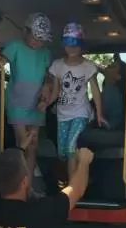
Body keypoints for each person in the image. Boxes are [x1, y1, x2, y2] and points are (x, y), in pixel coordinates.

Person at [0, 13, 53, 190]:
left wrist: (47, 88)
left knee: (33, 146)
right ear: (25, 31)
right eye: (35, 38)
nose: (38, 42)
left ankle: (28, 186)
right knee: (23, 142)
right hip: (17, 102)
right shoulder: (14, 46)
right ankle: (19, 186)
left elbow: (49, 76)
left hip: (38, 104)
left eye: (42, 40)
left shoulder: (45, 53)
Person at [44, 22, 104, 181]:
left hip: (80, 113)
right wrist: (45, 104)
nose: (71, 48)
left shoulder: (88, 66)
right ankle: (76, 180)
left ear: (81, 46)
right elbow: (56, 92)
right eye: (68, 44)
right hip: (62, 115)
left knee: (71, 149)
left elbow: (95, 91)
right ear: (63, 45)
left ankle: (72, 187)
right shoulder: (57, 65)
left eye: (75, 45)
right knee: (62, 152)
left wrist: (99, 114)